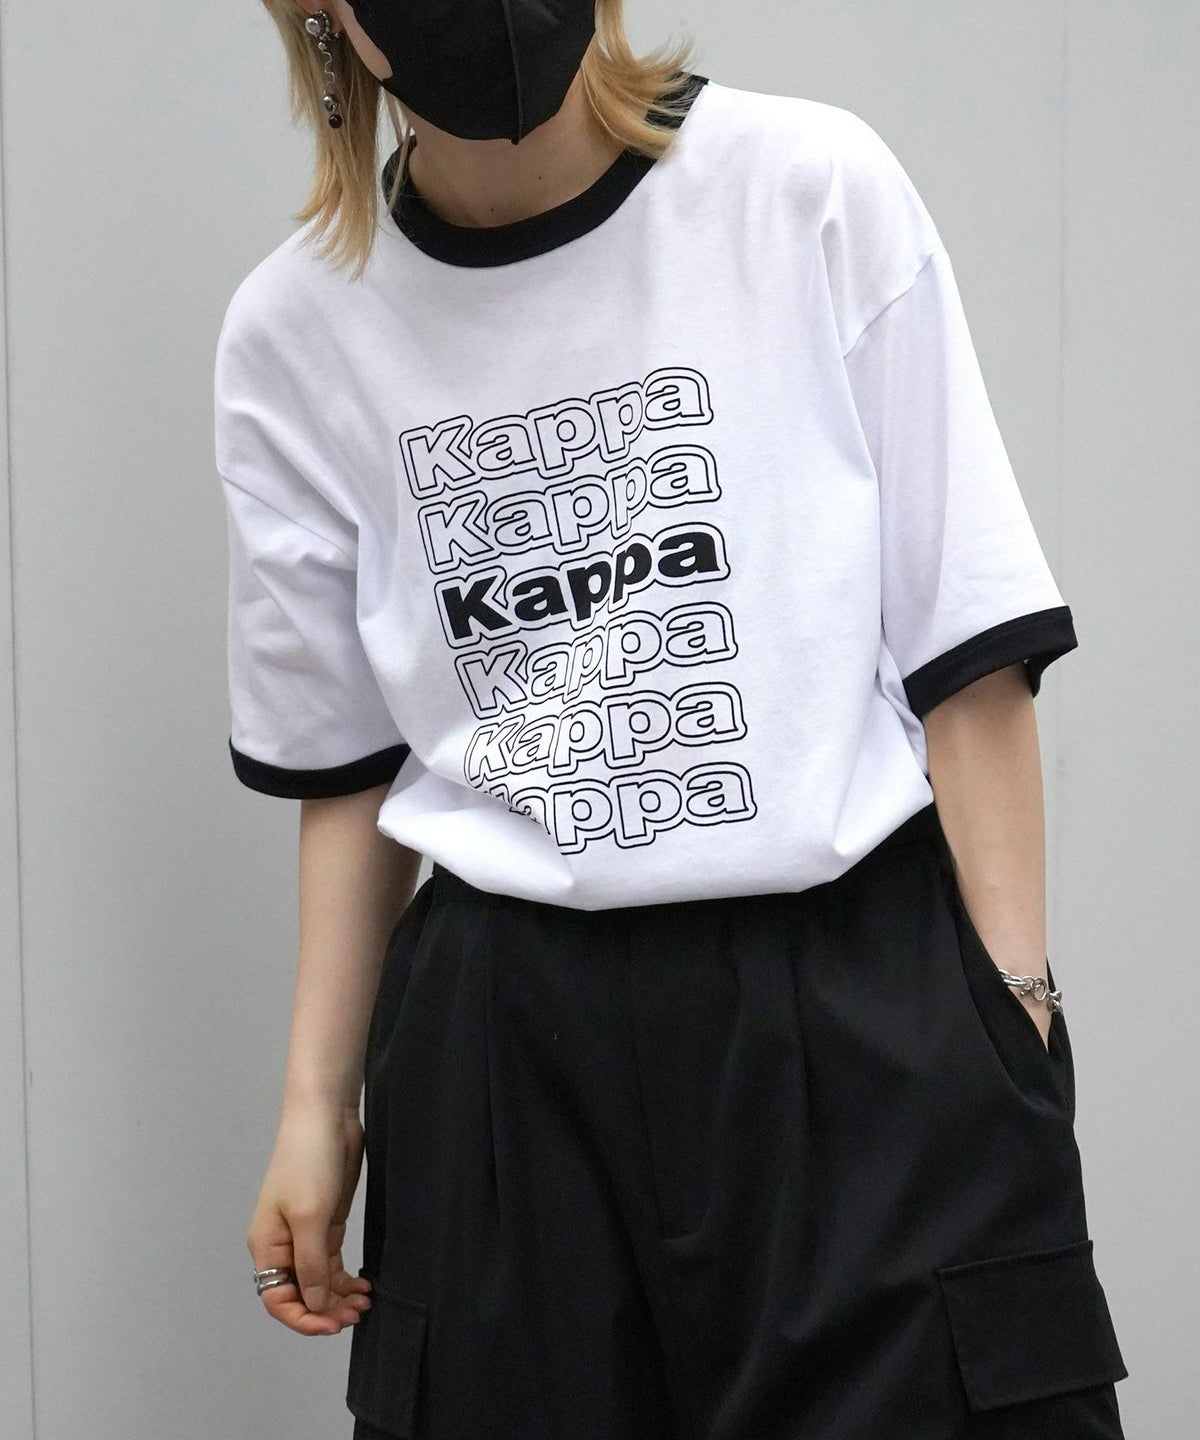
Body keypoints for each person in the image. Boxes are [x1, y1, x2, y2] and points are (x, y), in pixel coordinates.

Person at [221, 2, 1130, 1435]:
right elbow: (346, 768)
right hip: (508, 1063)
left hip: (851, 1002)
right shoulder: (298, 328)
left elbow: (967, 641)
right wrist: (314, 1109)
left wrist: (1013, 1017)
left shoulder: (805, 187)